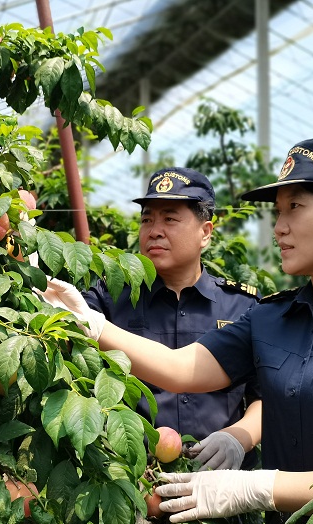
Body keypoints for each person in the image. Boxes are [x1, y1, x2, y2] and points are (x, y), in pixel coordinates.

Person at [40, 138, 313, 524]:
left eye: (295, 207)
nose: (279, 227)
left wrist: (258, 487)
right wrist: (93, 324)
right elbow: (184, 367)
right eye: (278, 212)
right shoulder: (272, 316)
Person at [82, 167, 261, 471]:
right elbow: (67, 321)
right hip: (133, 479)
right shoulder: (110, 298)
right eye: (147, 219)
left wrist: (238, 437)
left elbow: (265, 394)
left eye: (170, 219)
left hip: (222, 481)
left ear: (205, 233)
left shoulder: (242, 306)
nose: (154, 231)